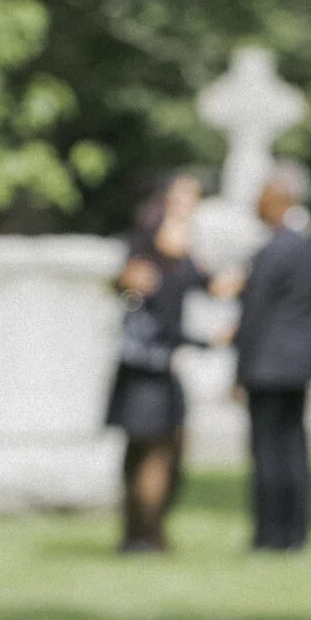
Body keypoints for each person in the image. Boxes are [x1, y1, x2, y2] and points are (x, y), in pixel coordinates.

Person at [108, 172, 237, 552]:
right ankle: (146, 535)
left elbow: (206, 284)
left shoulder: (169, 248)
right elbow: (160, 317)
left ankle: (139, 533)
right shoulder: (154, 248)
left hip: (150, 366)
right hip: (151, 367)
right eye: (185, 196)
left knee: (148, 451)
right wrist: (205, 340)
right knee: (155, 452)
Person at [234, 164, 311, 552]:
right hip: (298, 363)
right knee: (295, 448)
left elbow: (255, 313)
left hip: (267, 365)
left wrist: (240, 370)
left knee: (268, 451)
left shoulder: (273, 251)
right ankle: (296, 531)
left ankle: (270, 534)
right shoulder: (307, 247)